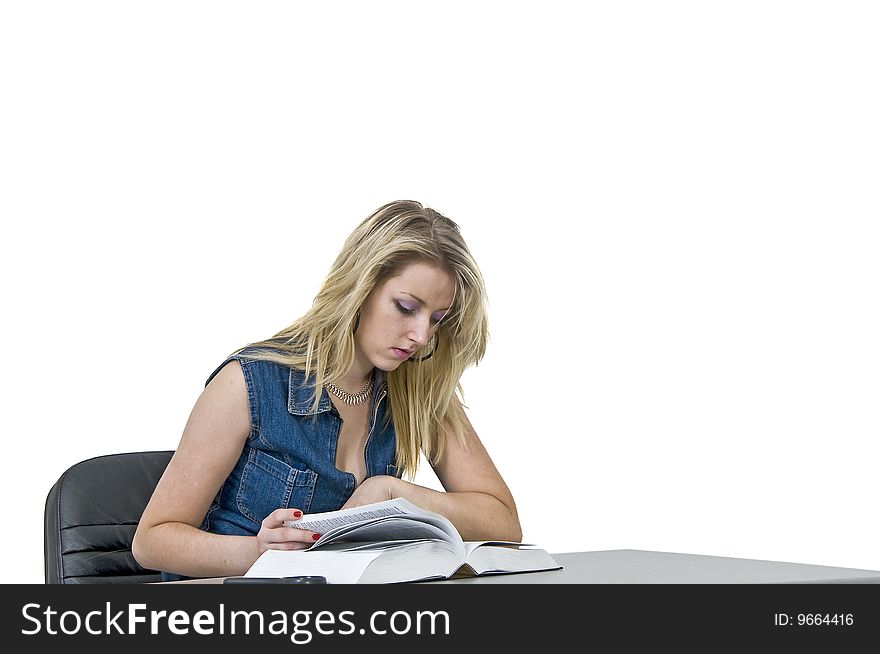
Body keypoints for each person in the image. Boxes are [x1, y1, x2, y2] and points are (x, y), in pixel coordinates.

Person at [132, 200, 522, 580]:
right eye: (405, 307)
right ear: (359, 288)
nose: (421, 336)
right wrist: (258, 552)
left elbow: (502, 521)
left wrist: (389, 492)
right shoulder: (248, 382)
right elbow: (152, 541)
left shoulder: (417, 388)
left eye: (437, 319)